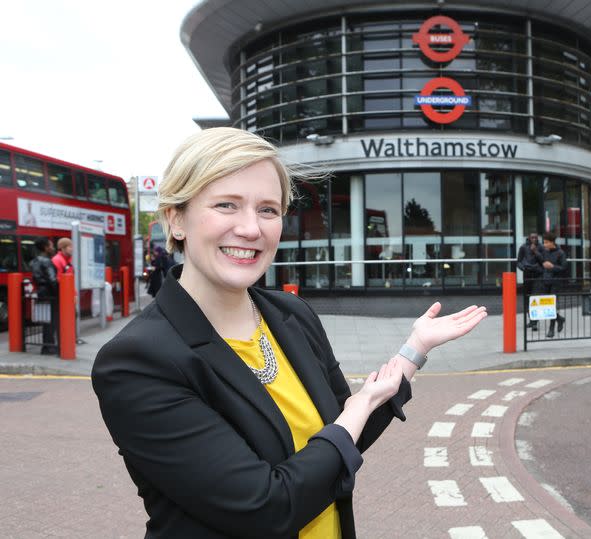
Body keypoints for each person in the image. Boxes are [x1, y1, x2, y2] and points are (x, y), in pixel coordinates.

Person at [91, 127, 487, 539]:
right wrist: (355, 411)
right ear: (176, 219)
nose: (251, 229)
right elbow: (266, 507)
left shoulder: (291, 313)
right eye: (227, 205)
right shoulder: (139, 360)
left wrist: (414, 350)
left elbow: (342, 437)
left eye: (267, 209)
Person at [31, 237, 59, 354]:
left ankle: (46, 346)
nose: (53, 248)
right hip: (50, 294)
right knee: (52, 321)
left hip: (41, 293)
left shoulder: (34, 261)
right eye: (51, 246)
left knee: (45, 321)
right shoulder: (47, 261)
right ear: (46, 248)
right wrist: (60, 293)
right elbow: (52, 280)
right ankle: (50, 347)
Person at [539, 232, 567, 338]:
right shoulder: (545, 252)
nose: (544, 245)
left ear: (552, 242)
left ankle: (551, 329)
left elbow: (564, 268)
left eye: (546, 242)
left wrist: (552, 267)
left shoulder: (560, 253)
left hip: (556, 282)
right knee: (546, 305)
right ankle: (560, 319)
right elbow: (541, 264)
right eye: (544, 242)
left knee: (552, 306)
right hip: (546, 281)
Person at [517, 232, 543, 330]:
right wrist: (523, 268)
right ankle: (531, 320)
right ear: (529, 238)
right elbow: (518, 261)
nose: (534, 239)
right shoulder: (523, 247)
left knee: (535, 299)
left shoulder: (540, 247)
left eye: (536, 238)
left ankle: (534, 322)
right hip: (527, 276)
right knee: (527, 299)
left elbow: (543, 260)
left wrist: (536, 251)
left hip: (537, 277)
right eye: (532, 237)